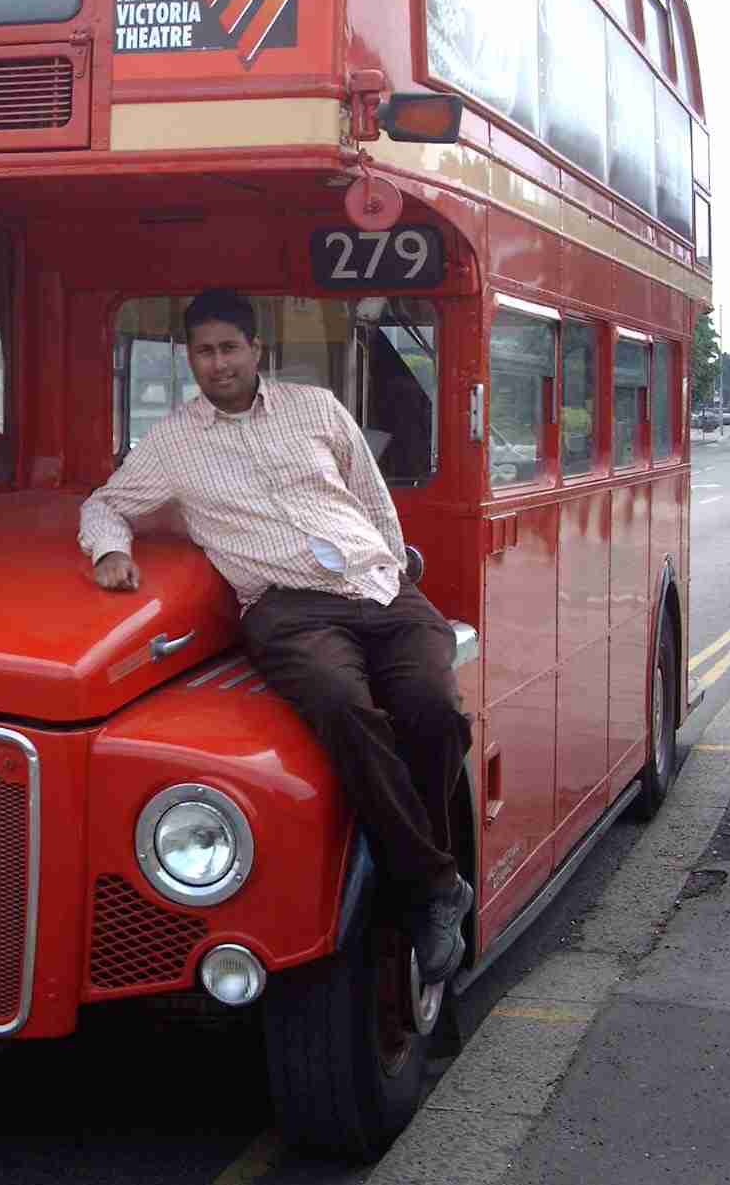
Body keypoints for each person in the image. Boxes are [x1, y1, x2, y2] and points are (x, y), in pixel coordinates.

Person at [78, 287, 473, 981]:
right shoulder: (173, 442)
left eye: (229, 348)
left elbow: (369, 493)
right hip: (287, 608)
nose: (218, 363)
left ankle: (423, 878)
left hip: (379, 588)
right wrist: (111, 552)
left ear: (256, 350)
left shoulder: (315, 408)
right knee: (344, 709)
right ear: (190, 360)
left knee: (435, 712)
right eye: (203, 352)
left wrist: (391, 566)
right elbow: (106, 503)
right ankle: (436, 888)